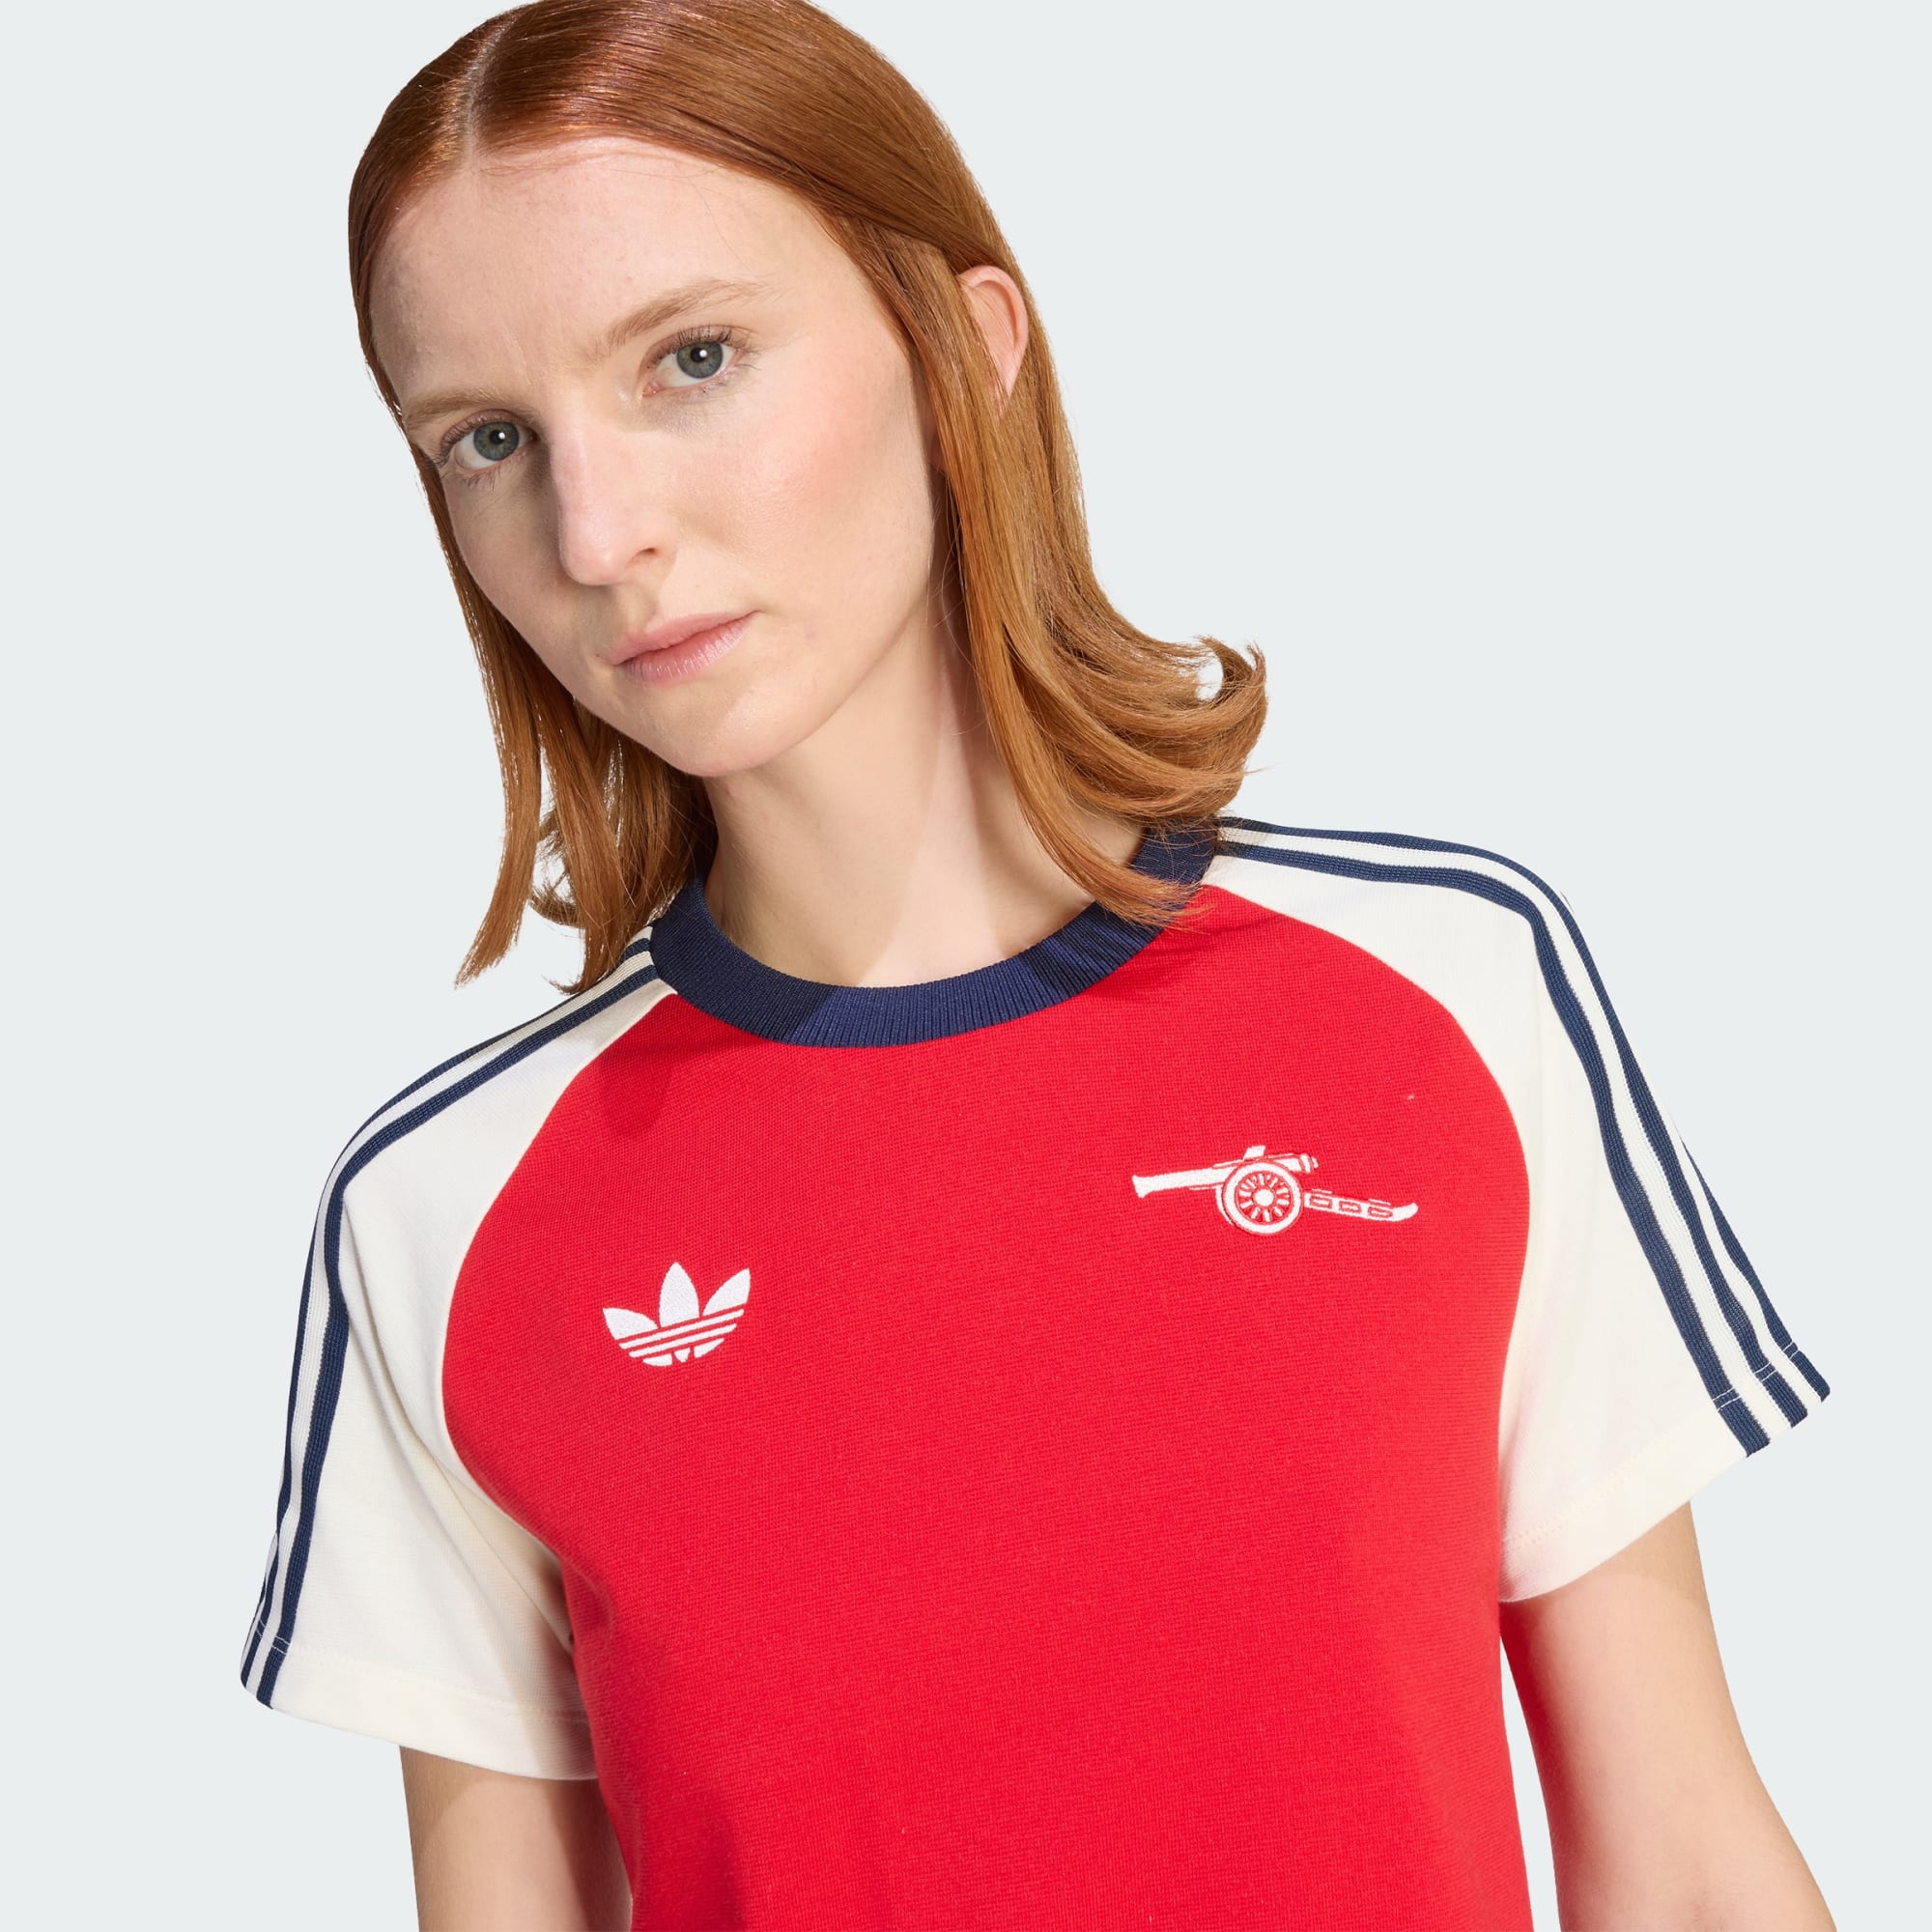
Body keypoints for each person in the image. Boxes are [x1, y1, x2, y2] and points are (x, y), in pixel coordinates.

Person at [237, 3, 1838, 1926]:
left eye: (693, 359)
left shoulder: (1447, 999)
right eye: (488, 441)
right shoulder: (450, 1213)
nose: (597, 533)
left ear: (962, 350)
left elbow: (1682, 1862)